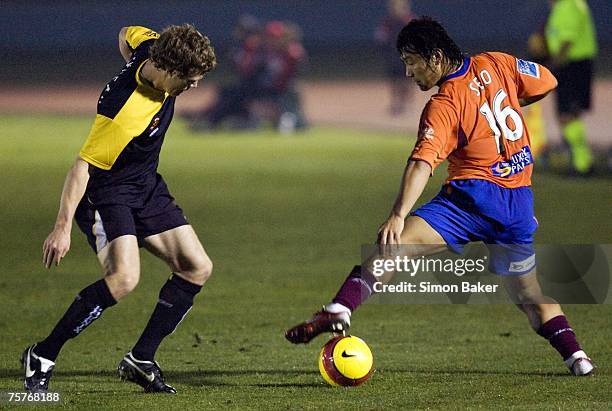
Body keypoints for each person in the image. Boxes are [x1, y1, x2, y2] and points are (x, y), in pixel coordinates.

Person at [285, 17, 594, 376]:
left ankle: (341, 307)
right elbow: (548, 79)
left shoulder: (444, 104)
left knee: (391, 247)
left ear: (434, 57)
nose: (407, 72)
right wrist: (509, 100)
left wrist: (398, 214)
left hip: (470, 201)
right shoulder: (497, 62)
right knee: (530, 297)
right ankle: (579, 358)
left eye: (411, 61)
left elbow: (421, 164)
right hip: (518, 206)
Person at [21, 24, 217, 394]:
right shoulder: (127, 111)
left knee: (196, 267)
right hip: (107, 193)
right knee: (124, 279)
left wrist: (130, 59)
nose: (194, 87)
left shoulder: (153, 46)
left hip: (146, 185)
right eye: (190, 80)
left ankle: (141, 359)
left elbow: (126, 32)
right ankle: (43, 354)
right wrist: (62, 228)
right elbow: (82, 166)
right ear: (170, 70)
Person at [545, 0, 598, 175]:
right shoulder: (567, 5)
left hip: (572, 66)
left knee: (568, 114)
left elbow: (567, 40)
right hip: (573, 65)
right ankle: (581, 161)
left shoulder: (569, 5)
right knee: (568, 115)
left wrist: (554, 64)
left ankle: (582, 164)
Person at [374, 0, 415, 116]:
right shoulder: (388, 22)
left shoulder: (409, 21)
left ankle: (406, 103)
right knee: (394, 81)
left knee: (406, 81)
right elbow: (381, 37)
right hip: (393, 56)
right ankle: (396, 103)